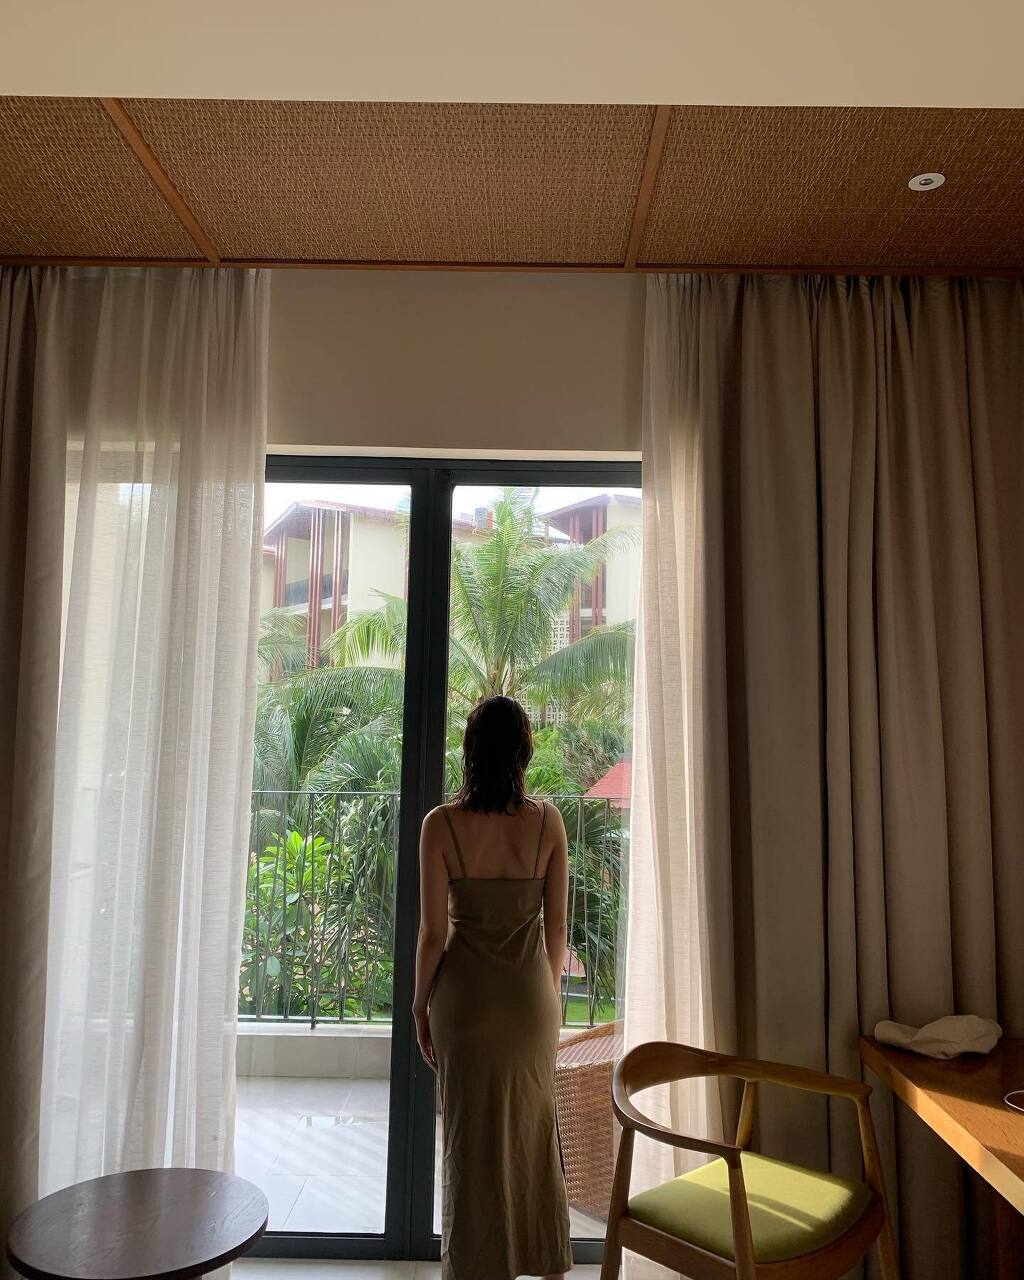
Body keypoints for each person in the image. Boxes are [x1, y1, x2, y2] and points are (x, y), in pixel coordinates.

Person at [413, 695, 573, 1280]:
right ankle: (544, 1261)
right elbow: (557, 929)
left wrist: (419, 1007)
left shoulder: (441, 825)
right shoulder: (548, 823)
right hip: (530, 1003)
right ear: (523, 753)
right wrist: (545, 996)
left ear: (471, 752)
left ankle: (475, 1265)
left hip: (465, 1006)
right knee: (534, 1134)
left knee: (469, 1141)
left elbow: (433, 935)